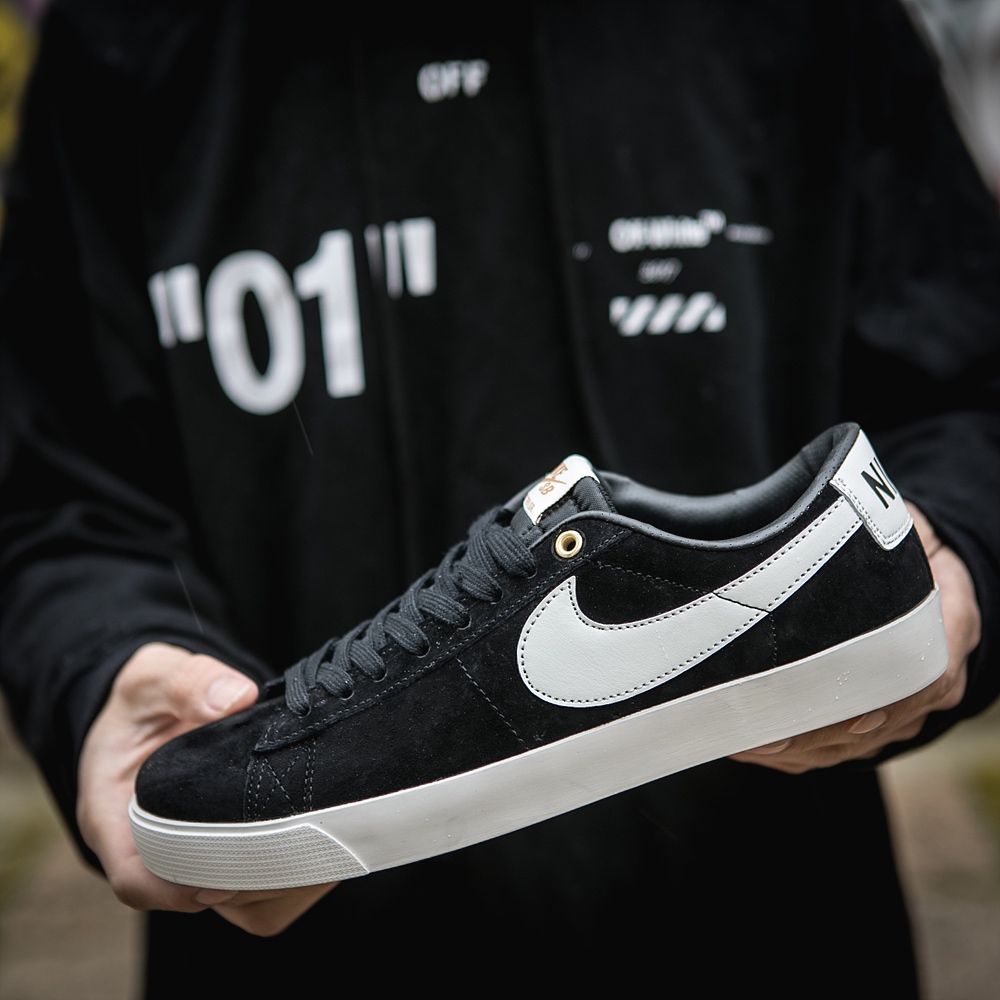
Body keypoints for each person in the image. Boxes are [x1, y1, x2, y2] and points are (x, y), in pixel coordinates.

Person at [0, 1, 996, 995]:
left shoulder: (805, 23)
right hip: (297, 950)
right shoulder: (125, 40)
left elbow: (971, 392)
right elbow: (54, 487)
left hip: (768, 928)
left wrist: (954, 549)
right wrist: (104, 664)